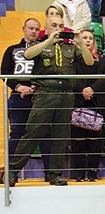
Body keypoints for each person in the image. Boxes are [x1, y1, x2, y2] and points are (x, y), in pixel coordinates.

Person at [7, 16, 94, 186]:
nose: (58, 28)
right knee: (32, 133)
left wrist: (81, 43)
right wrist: (48, 41)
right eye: (54, 25)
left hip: (66, 95)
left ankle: (55, 174)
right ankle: (13, 172)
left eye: (61, 25)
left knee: (61, 137)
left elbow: (89, 62)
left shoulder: (70, 47)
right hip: (45, 94)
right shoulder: (39, 44)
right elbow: (27, 54)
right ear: (46, 28)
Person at [0, 18, 49, 187]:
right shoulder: (11, 50)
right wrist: (19, 86)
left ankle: (49, 173)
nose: (34, 31)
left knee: (44, 134)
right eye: (31, 28)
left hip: (40, 96)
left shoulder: (44, 50)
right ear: (24, 29)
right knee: (17, 134)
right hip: (17, 96)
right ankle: (11, 174)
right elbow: (5, 73)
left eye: (37, 29)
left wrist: (37, 87)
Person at [70, 29, 105, 182]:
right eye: (84, 38)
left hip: (98, 101)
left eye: (90, 38)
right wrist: (83, 89)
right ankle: (79, 172)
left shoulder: (103, 57)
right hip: (78, 100)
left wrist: (92, 89)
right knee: (78, 139)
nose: (87, 40)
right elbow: (71, 77)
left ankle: (93, 172)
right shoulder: (72, 57)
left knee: (95, 139)